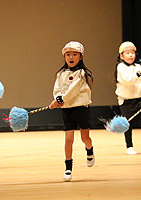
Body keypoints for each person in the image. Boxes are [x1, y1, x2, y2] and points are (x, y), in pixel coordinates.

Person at [49, 41, 94, 181]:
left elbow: (72, 90)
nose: (71, 57)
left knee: (84, 138)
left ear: (81, 56)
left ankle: (90, 150)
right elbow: (57, 89)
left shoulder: (82, 74)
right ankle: (68, 168)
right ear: (64, 56)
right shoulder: (60, 73)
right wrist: (57, 98)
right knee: (68, 140)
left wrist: (59, 100)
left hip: (81, 109)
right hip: (67, 110)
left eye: (74, 54)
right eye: (68, 54)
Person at [115, 41, 141, 155]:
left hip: (138, 98)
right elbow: (128, 81)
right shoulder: (120, 67)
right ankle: (129, 146)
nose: (131, 55)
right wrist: (140, 72)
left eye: (132, 52)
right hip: (125, 100)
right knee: (127, 124)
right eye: (127, 53)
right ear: (122, 56)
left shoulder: (138, 66)